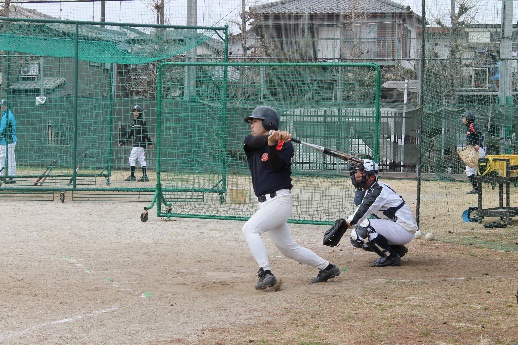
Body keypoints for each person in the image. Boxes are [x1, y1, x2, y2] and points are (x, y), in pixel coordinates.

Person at [242, 106, 340, 290]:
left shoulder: (285, 145)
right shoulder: (251, 142)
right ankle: (327, 268)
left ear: (267, 122)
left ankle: (266, 272)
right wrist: (271, 137)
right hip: (265, 204)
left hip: (279, 201)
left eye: (255, 121)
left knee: (250, 229)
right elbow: (254, 143)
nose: (251, 125)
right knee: (288, 248)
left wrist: (273, 144)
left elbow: (276, 164)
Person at [346, 159, 418, 267]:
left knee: (362, 230)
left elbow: (361, 213)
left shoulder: (378, 190)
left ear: (372, 177)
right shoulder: (373, 188)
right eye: (356, 173)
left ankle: (391, 257)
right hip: (397, 227)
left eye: (361, 173)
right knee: (356, 238)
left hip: (403, 229)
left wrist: (345, 224)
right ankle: (395, 249)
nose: (357, 176)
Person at [119, 104, 153, 182]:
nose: (135, 112)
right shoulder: (134, 123)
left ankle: (133, 176)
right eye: (134, 111)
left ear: (140, 112)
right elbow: (129, 134)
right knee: (141, 159)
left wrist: (149, 142)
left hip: (138, 144)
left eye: (137, 111)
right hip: (139, 144)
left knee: (132, 159)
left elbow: (145, 133)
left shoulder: (141, 123)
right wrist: (123, 142)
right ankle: (144, 176)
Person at [461, 111, 485, 194]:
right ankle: (477, 188)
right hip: (474, 151)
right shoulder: (468, 127)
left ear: (468, 119)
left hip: (478, 151)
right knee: (474, 170)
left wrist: (478, 144)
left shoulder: (472, 125)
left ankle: (476, 189)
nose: (462, 119)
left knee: (469, 169)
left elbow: (481, 135)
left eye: (464, 117)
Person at [0, 99, 17, 184]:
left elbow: (1, 129)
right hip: (5, 140)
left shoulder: (7, 116)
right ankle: (3, 175)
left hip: (8, 140)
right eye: (1, 105)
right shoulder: (6, 114)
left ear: (7, 106)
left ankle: (11, 177)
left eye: (4, 105)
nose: (2, 107)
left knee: (8, 158)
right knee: (4, 158)